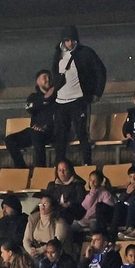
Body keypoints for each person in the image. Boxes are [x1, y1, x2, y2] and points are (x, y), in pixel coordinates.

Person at [51, 26, 107, 164]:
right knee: (61, 135)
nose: (70, 43)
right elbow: (55, 73)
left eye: (72, 40)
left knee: (82, 134)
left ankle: (87, 163)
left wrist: (96, 92)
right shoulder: (58, 54)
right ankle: (60, 164)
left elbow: (100, 71)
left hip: (78, 100)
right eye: (67, 40)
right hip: (60, 101)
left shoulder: (86, 52)